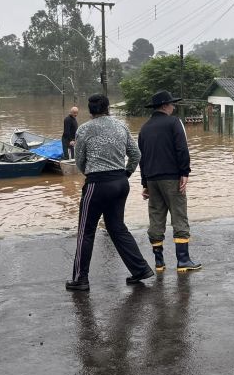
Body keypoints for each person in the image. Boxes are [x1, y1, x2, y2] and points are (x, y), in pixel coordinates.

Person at [66, 94, 153, 291]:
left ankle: (80, 279)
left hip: (97, 184)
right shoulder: (121, 126)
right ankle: (140, 269)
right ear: (108, 108)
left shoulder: (84, 129)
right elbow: (136, 154)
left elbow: (79, 160)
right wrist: (126, 173)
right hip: (120, 183)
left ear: (90, 110)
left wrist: (89, 174)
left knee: (86, 231)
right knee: (117, 228)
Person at [138, 89, 202, 273]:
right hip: (172, 177)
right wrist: (185, 172)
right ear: (165, 105)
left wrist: (145, 183)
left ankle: (159, 263)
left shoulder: (144, 128)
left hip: (152, 179)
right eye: (172, 104)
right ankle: (183, 261)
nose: (173, 107)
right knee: (179, 216)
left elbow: (142, 158)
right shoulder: (174, 122)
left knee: (156, 218)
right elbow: (182, 148)